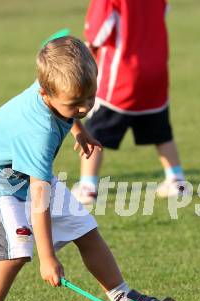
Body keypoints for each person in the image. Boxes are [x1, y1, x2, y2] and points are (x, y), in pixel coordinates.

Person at [0, 36, 176, 301]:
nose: (86, 107)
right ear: (45, 94)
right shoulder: (39, 131)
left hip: (26, 172)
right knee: (16, 249)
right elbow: (39, 198)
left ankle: (123, 298)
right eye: (75, 104)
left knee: (85, 229)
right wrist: (47, 256)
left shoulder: (59, 81)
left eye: (90, 97)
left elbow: (65, 73)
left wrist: (79, 128)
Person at [72, 0, 187, 205]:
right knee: (161, 131)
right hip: (156, 72)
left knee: (95, 132)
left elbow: (97, 33)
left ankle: (88, 187)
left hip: (121, 75)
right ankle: (176, 179)